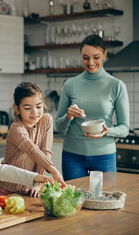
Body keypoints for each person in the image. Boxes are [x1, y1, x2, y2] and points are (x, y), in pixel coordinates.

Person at [55, 34, 129, 181]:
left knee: (105, 201)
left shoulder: (116, 85)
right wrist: (68, 116)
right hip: (72, 155)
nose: (90, 62)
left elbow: (124, 128)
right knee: (75, 201)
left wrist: (108, 131)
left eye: (96, 57)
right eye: (85, 57)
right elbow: (59, 126)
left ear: (104, 55)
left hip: (104, 156)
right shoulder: (70, 84)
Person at [0, 82, 66, 198]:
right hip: (3, 190)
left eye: (39, 106)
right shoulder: (16, 129)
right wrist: (54, 171)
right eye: (27, 108)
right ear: (17, 109)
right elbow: (33, 151)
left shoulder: (46, 120)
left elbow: (45, 153)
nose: (35, 112)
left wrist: (38, 184)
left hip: (28, 190)